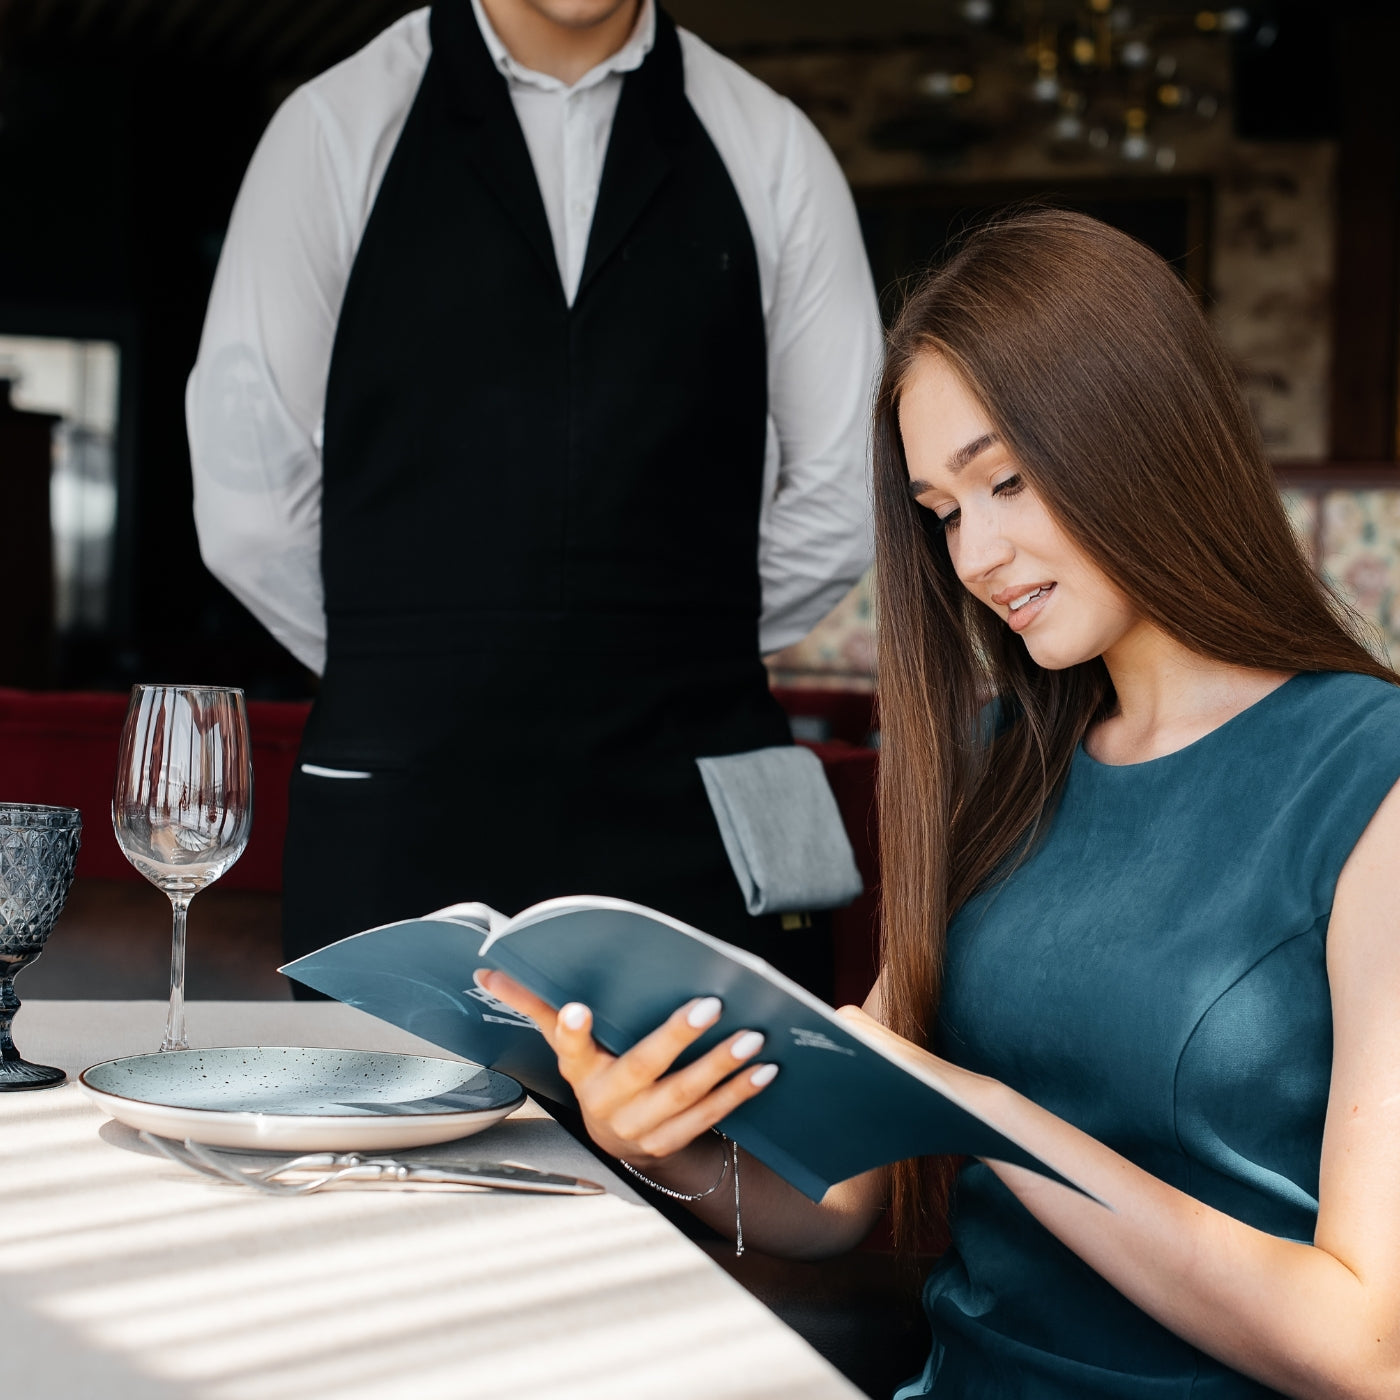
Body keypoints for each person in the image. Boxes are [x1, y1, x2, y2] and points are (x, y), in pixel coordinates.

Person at [478, 208, 1400, 1399]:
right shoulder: (996, 761)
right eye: (943, 511)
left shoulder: (1366, 772)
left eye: (1003, 480)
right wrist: (658, 1142)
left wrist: (986, 1116)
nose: (972, 558)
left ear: (1143, 431)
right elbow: (837, 1200)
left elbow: (1362, 1345)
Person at [185, 0, 881, 991]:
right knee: (386, 1138)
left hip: (700, 817)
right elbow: (247, 499)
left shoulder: (771, 144)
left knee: (715, 1140)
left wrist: (661, 629)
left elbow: (847, 495)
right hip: (404, 806)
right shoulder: (331, 127)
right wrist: (412, 649)